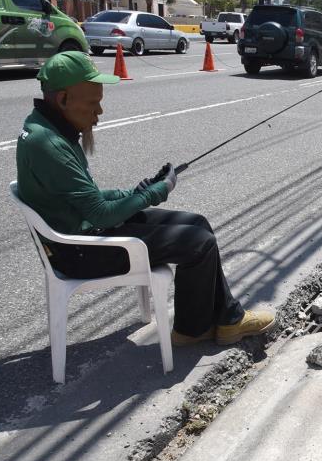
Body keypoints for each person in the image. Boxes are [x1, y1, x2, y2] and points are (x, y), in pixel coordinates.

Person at [15, 51, 275, 346]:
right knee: (199, 243)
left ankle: (224, 320)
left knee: (197, 224)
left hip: (85, 233)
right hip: (80, 252)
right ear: (63, 99)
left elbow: (87, 198)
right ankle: (193, 330)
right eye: (92, 103)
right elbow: (101, 214)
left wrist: (137, 191)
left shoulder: (48, 128)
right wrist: (155, 192)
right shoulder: (48, 143)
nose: (99, 112)